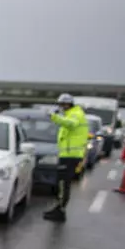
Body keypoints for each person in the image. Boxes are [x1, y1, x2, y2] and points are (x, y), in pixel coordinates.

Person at [45, 93, 89, 223]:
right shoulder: (71, 113)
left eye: (63, 105)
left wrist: (54, 117)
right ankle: (59, 207)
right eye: (60, 105)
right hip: (67, 154)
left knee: (64, 183)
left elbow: (71, 124)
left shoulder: (75, 114)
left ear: (69, 104)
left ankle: (61, 211)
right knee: (61, 182)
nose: (62, 107)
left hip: (71, 155)